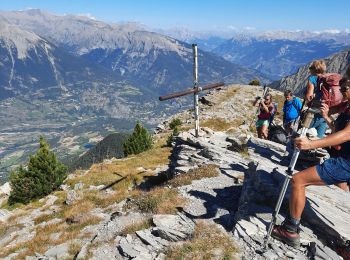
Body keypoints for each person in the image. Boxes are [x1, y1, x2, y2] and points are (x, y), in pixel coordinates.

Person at [271, 77, 350, 249]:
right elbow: (339, 130)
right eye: (341, 88)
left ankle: (290, 230)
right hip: (345, 159)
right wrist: (326, 116)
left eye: (345, 88)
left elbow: (347, 134)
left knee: (298, 180)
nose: (342, 92)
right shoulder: (347, 105)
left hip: (346, 162)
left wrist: (311, 144)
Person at [305, 60, 328, 138]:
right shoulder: (327, 78)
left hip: (314, 112)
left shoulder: (312, 79)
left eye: (310, 68)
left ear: (315, 69)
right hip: (326, 112)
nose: (309, 69)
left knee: (304, 132)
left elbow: (309, 97)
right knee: (318, 138)